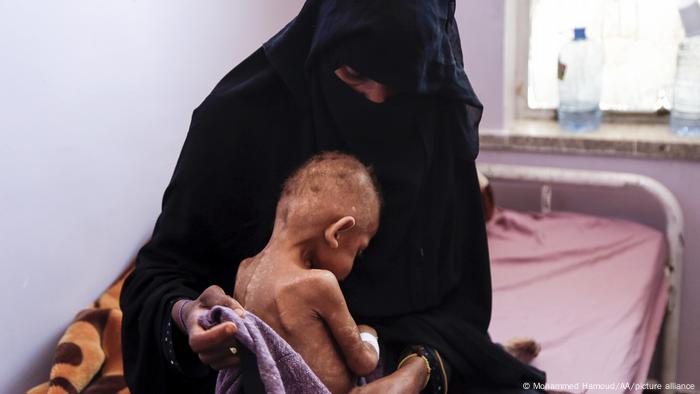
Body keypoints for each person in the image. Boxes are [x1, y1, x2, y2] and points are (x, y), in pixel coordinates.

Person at [120, 1, 547, 393]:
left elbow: (463, 308)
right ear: (323, 39)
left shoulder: (437, 126)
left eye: (401, 83)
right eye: (353, 74)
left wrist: (416, 373)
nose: (377, 99)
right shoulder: (239, 119)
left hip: (398, 355)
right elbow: (158, 276)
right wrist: (194, 322)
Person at [231, 152, 381, 393]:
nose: (356, 261)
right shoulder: (320, 284)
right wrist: (368, 335)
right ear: (337, 234)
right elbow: (363, 362)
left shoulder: (245, 270)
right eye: (358, 250)